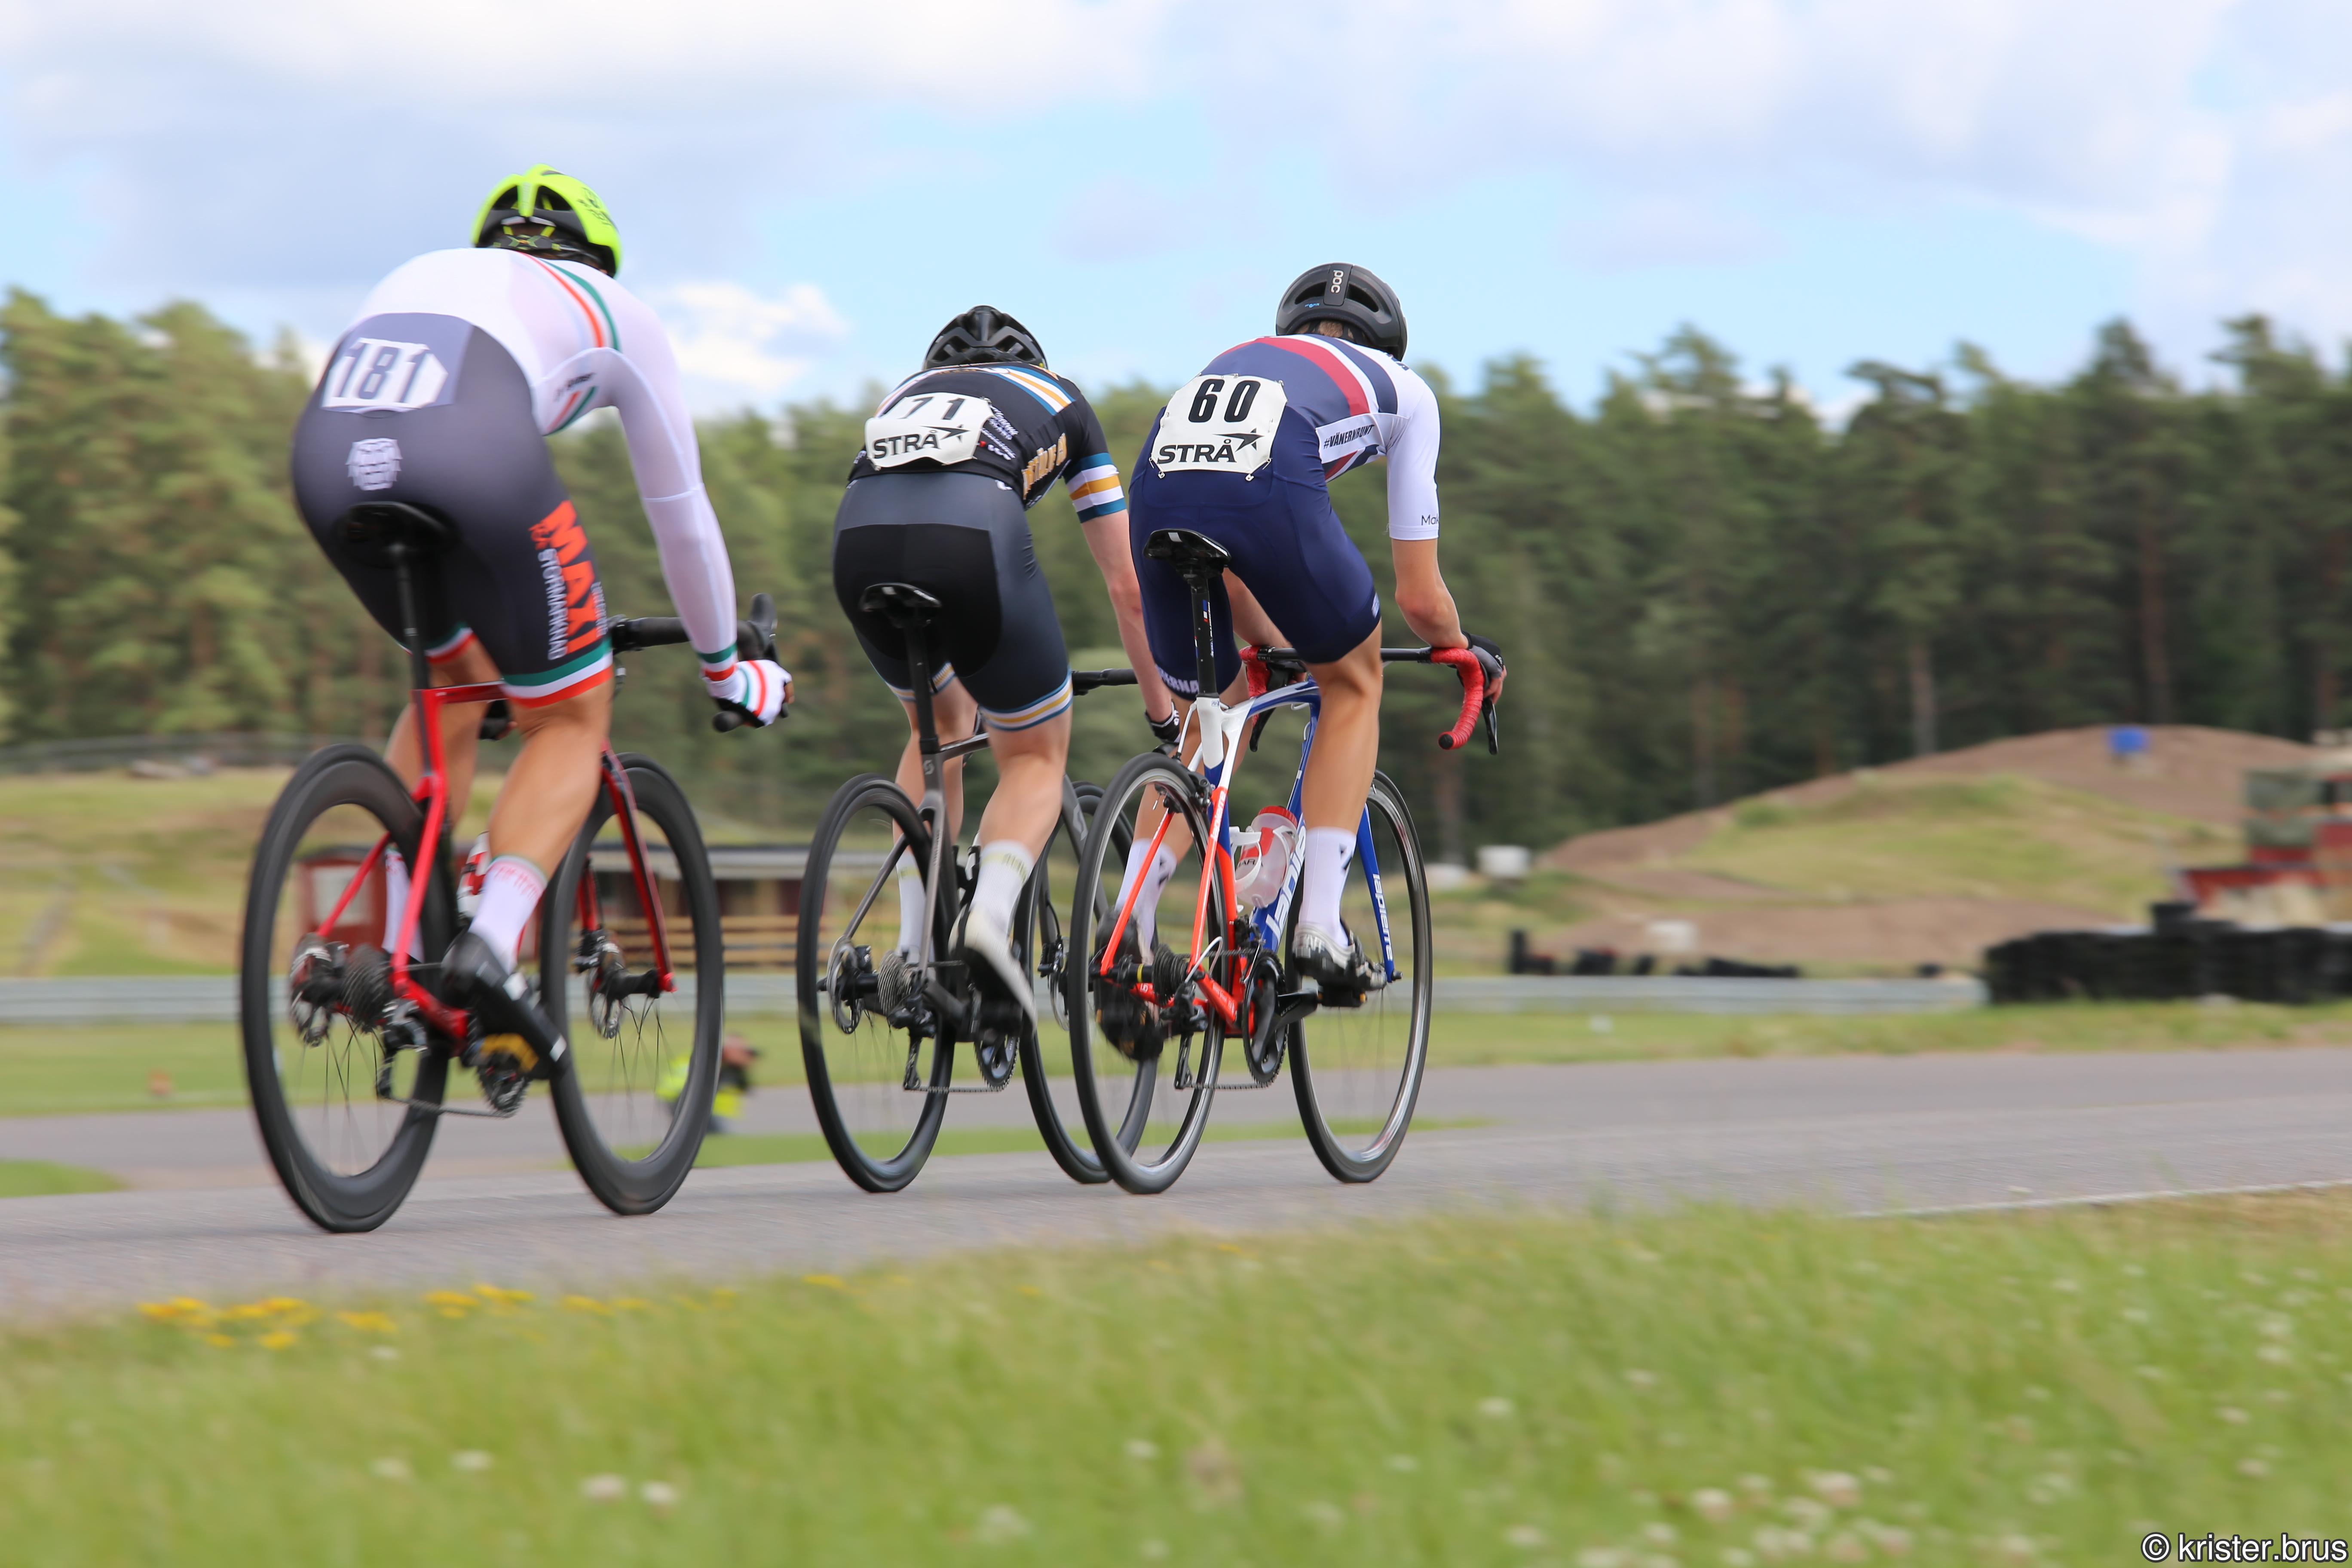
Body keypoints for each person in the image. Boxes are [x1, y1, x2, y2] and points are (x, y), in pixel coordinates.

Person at [289, 165, 790, 1044]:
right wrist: (727, 669)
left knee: (455, 684)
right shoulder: (617, 311)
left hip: (327, 463)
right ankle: (490, 944)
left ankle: (396, 950)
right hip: (469, 455)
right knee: (568, 715)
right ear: (599, 256)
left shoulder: (422, 273)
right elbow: (682, 518)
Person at [1120, 263, 1504, 995]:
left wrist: (1271, 645)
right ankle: (1321, 927)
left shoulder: (1236, 360)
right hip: (1269, 486)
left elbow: (1231, 563)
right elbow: (1421, 600)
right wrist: (1462, 648)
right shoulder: (1407, 391)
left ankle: (1126, 926)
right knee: (1354, 684)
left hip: (1156, 494)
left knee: (1209, 719)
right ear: (1385, 344)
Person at [831, 306, 1173, 1016]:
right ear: (1031, 364)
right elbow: (1127, 587)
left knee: (936, 728)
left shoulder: (903, 395)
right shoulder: (1062, 398)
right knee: (1035, 754)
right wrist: (1162, 714)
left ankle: (913, 947)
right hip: (973, 530)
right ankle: (987, 916)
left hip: (859, 541)